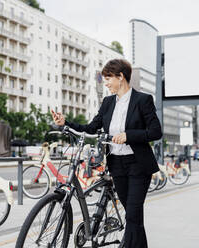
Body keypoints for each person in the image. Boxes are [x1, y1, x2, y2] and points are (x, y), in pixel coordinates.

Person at [51, 59, 162, 248]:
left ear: (121, 77)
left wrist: (129, 135)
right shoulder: (108, 102)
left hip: (138, 164)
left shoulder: (143, 100)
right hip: (117, 164)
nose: (106, 83)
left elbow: (155, 132)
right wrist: (66, 123)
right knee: (133, 216)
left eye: (108, 78)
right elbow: (92, 128)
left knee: (133, 214)